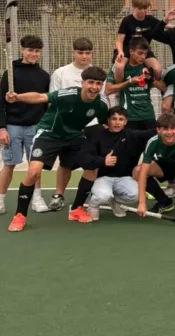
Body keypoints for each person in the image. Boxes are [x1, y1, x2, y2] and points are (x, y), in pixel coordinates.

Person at [6, 66, 109, 231]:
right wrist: (17, 97)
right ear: (82, 83)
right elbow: (40, 97)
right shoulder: (67, 94)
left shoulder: (101, 104)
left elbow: (106, 123)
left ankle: (76, 209)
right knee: (33, 172)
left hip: (75, 137)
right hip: (49, 134)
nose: (94, 87)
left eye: (98, 84)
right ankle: (20, 215)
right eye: (91, 82)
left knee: (91, 166)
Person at [0, 34, 50, 215]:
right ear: (22, 49)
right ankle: (0, 200)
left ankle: (36, 199)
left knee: (35, 164)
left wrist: (44, 127)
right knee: (9, 164)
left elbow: (46, 104)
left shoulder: (44, 76)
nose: (33, 54)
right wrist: (2, 128)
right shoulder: (10, 73)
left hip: (36, 127)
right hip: (12, 126)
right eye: (30, 50)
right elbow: (1, 102)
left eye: (37, 51)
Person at [80, 106, 156, 219]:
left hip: (124, 178)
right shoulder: (97, 135)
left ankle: (114, 201)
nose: (117, 122)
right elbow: (85, 158)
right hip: (102, 178)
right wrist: (103, 161)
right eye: (114, 119)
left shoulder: (131, 135)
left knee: (136, 195)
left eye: (121, 119)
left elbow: (152, 132)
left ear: (125, 122)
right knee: (103, 196)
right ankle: (93, 205)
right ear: (108, 120)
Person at [47, 37, 96, 211]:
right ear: (73, 53)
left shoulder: (96, 73)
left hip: (92, 125)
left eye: (88, 53)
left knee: (93, 162)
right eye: (80, 52)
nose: (84, 56)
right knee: (66, 163)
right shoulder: (61, 73)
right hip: (67, 127)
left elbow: (102, 99)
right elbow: (53, 100)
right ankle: (58, 195)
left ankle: (90, 195)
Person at [105, 39, 164, 130]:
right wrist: (129, 82)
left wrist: (151, 79)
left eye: (145, 54)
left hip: (149, 116)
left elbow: (164, 87)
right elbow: (108, 90)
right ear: (131, 51)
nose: (143, 57)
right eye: (140, 53)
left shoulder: (147, 68)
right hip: (129, 117)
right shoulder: (120, 68)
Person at [114, 0, 164, 78]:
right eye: (140, 8)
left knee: (157, 70)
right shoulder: (127, 20)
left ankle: (149, 85)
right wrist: (120, 51)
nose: (142, 11)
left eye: (145, 8)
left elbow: (164, 24)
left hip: (144, 50)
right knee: (119, 67)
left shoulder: (150, 19)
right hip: (128, 49)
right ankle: (120, 89)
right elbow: (119, 41)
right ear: (134, 7)